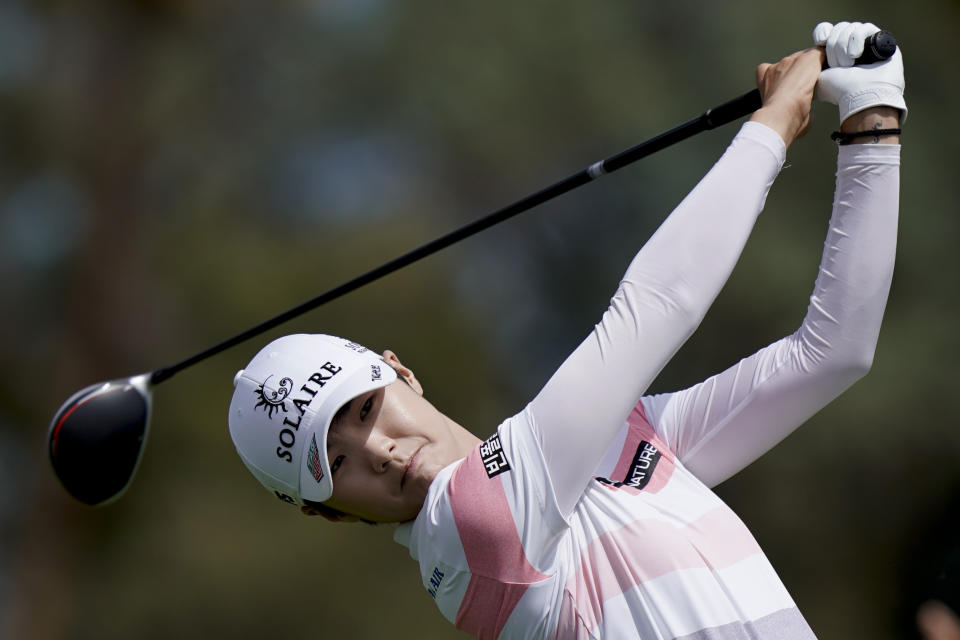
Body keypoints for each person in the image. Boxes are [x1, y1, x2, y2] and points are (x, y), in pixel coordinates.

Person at [227, 21, 904, 639]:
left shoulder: (611, 448)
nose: (377, 450)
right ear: (331, 513)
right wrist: (775, 121)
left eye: (366, 407)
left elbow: (834, 352)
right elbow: (660, 301)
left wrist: (871, 116)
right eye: (336, 463)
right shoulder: (470, 534)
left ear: (402, 372)